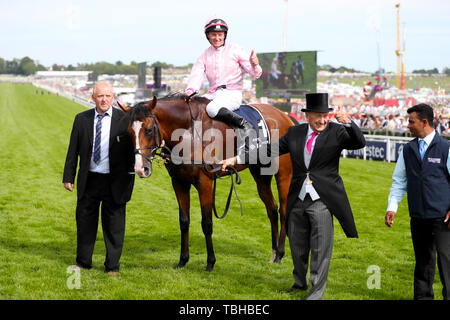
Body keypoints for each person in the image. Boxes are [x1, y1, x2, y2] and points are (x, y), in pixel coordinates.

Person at [221, 93, 366, 299]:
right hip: (297, 197)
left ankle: (315, 293)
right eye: (318, 116)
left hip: (322, 200)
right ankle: (299, 283)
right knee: (297, 246)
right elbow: (268, 150)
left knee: (320, 249)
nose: (323, 120)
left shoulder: (337, 132)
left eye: (325, 116)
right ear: (307, 116)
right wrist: (237, 158)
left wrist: (349, 123)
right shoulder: (295, 132)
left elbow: (359, 142)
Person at [63, 81, 135, 275]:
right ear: (93, 97)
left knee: (114, 227)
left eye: (108, 96)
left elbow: (135, 151)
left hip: (115, 181)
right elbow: (73, 150)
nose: (104, 100)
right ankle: (83, 262)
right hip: (90, 180)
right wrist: (68, 176)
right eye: (100, 96)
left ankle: (112, 267)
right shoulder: (81, 119)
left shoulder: (125, 121)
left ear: (113, 98)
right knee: (85, 223)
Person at [385, 103, 450, 300]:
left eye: (411, 121)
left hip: (443, 218)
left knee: (447, 263)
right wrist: (392, 208)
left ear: (424, 122)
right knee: (423, 263)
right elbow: (399, 181)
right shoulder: (408, 149)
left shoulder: (446, 147)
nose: (408, 125)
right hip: (418, 216)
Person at [185, 16, 262, 147]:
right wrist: (190, 90)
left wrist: (255, 65)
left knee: (212, 109)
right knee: (193, 107)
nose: (217, 38)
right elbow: (197, 75)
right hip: (213, 93)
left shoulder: (236, 50)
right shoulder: (204, 55)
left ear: (225, 35)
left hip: (232, 93)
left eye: (220, 35)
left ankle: (245, 126)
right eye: (213, 35)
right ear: (208, 36)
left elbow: (255, 74)